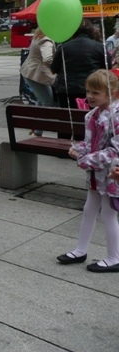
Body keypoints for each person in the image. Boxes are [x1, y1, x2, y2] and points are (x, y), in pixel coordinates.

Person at [58, 70, 119, 272]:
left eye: (96, 92)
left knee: (108, 214)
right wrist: (79, 150)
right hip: (95, 174)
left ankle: (114, 257)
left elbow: (115, 151)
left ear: (112, 93)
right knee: (88, 210)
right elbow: (90, 142)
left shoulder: (116, 117)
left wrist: (87, 160)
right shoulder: (92, 115)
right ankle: (81, 250)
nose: (90, 96)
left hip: (112, 175)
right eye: (88, 91)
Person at [20, 28, 57, 137]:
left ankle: (35, 127)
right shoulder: (46, 40)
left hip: (31, 71)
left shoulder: (39, 35)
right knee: (48, 102)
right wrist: (58, 64)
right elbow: (48, 58)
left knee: (42, 99)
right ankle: (38, 131)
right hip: (36, 73)